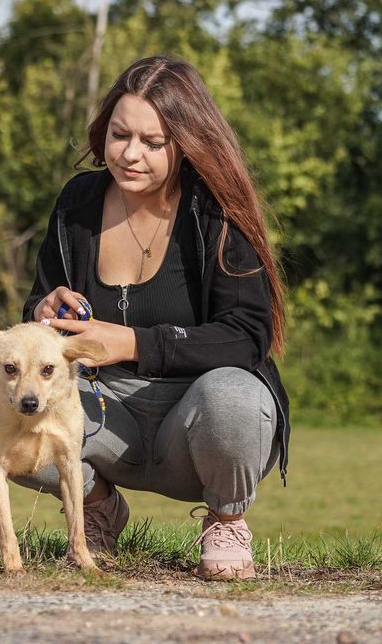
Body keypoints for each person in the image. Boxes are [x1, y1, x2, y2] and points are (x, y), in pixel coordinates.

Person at [17, 55, 290, 580]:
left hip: (194, 423)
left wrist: (134, 343)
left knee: (235, 394)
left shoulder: (218, 212)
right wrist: (41, 310)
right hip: (99, 412)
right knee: (4, 397)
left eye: (153, 143)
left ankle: (226, 520)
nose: (130, 154)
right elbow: (34, 313)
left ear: (185, 144)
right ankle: (94, 506)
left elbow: (247, 338)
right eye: (120, 135)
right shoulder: (77, 202)